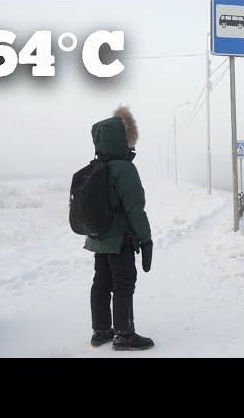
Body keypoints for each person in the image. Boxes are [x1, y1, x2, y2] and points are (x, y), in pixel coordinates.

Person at [85, 105, 154, 351]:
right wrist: (146, 241)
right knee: (124, 282)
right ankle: (124, 335)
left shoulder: (97, 166)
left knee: (101, 282)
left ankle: (101, 331)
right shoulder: (124, 169)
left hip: (98, 237)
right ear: (122, 140)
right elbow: (135, 209)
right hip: (120, 239)